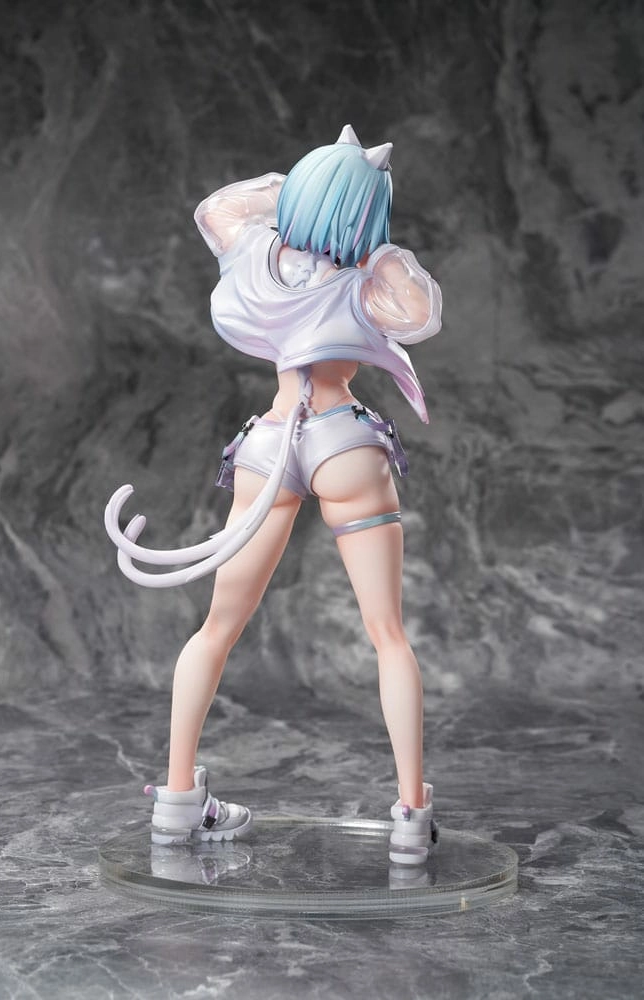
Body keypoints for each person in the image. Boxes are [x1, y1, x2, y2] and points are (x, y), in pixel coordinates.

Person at [104, 125, 443, 864]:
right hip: (342, 442)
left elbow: (219, 207)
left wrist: (307, 192)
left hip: (269, 444)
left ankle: (176, 800)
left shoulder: (259, 257)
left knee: (217, 628)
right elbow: (421, 312)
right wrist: (362, 234)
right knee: (387, 633)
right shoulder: (365, 282)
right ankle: (411, 815)